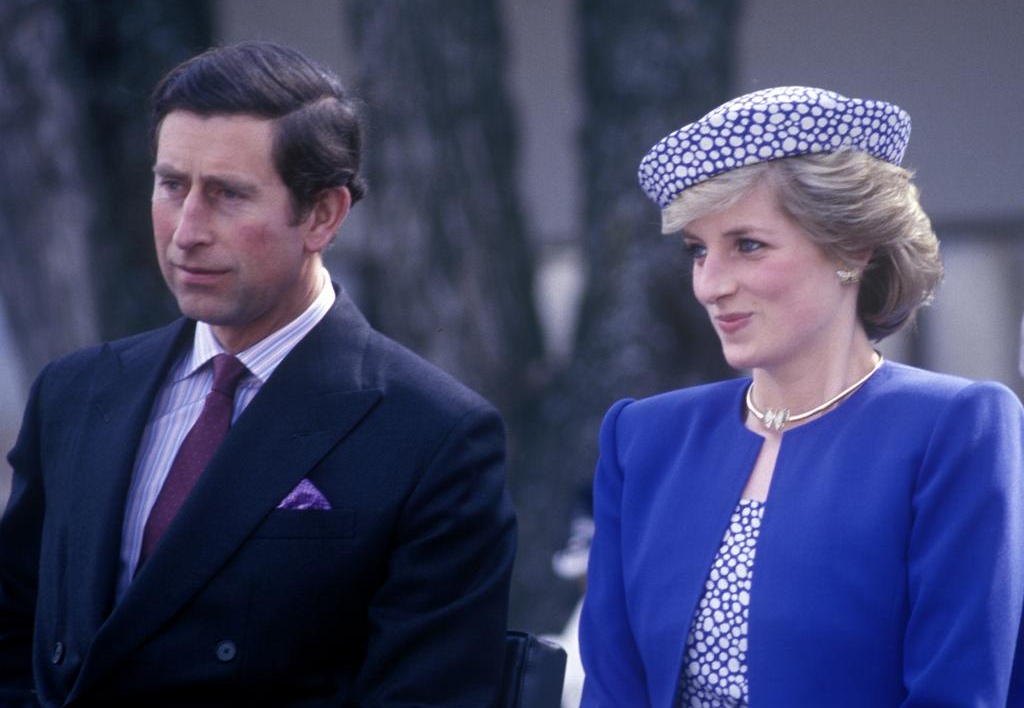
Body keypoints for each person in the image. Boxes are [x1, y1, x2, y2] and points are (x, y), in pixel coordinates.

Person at [0, 42, 516, 707]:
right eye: (172, 185)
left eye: (227, 195)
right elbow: (15, 627)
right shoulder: (76, 391)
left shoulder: (434, 436)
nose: (186, 231)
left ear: (323, 215)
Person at [578, 86, 1024, 706]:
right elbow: (612, 689)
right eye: (698, 251)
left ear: (852, 250)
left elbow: (957, 690)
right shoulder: (644, 438)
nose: (710, 284)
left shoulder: (958, 428)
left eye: (748, 245)